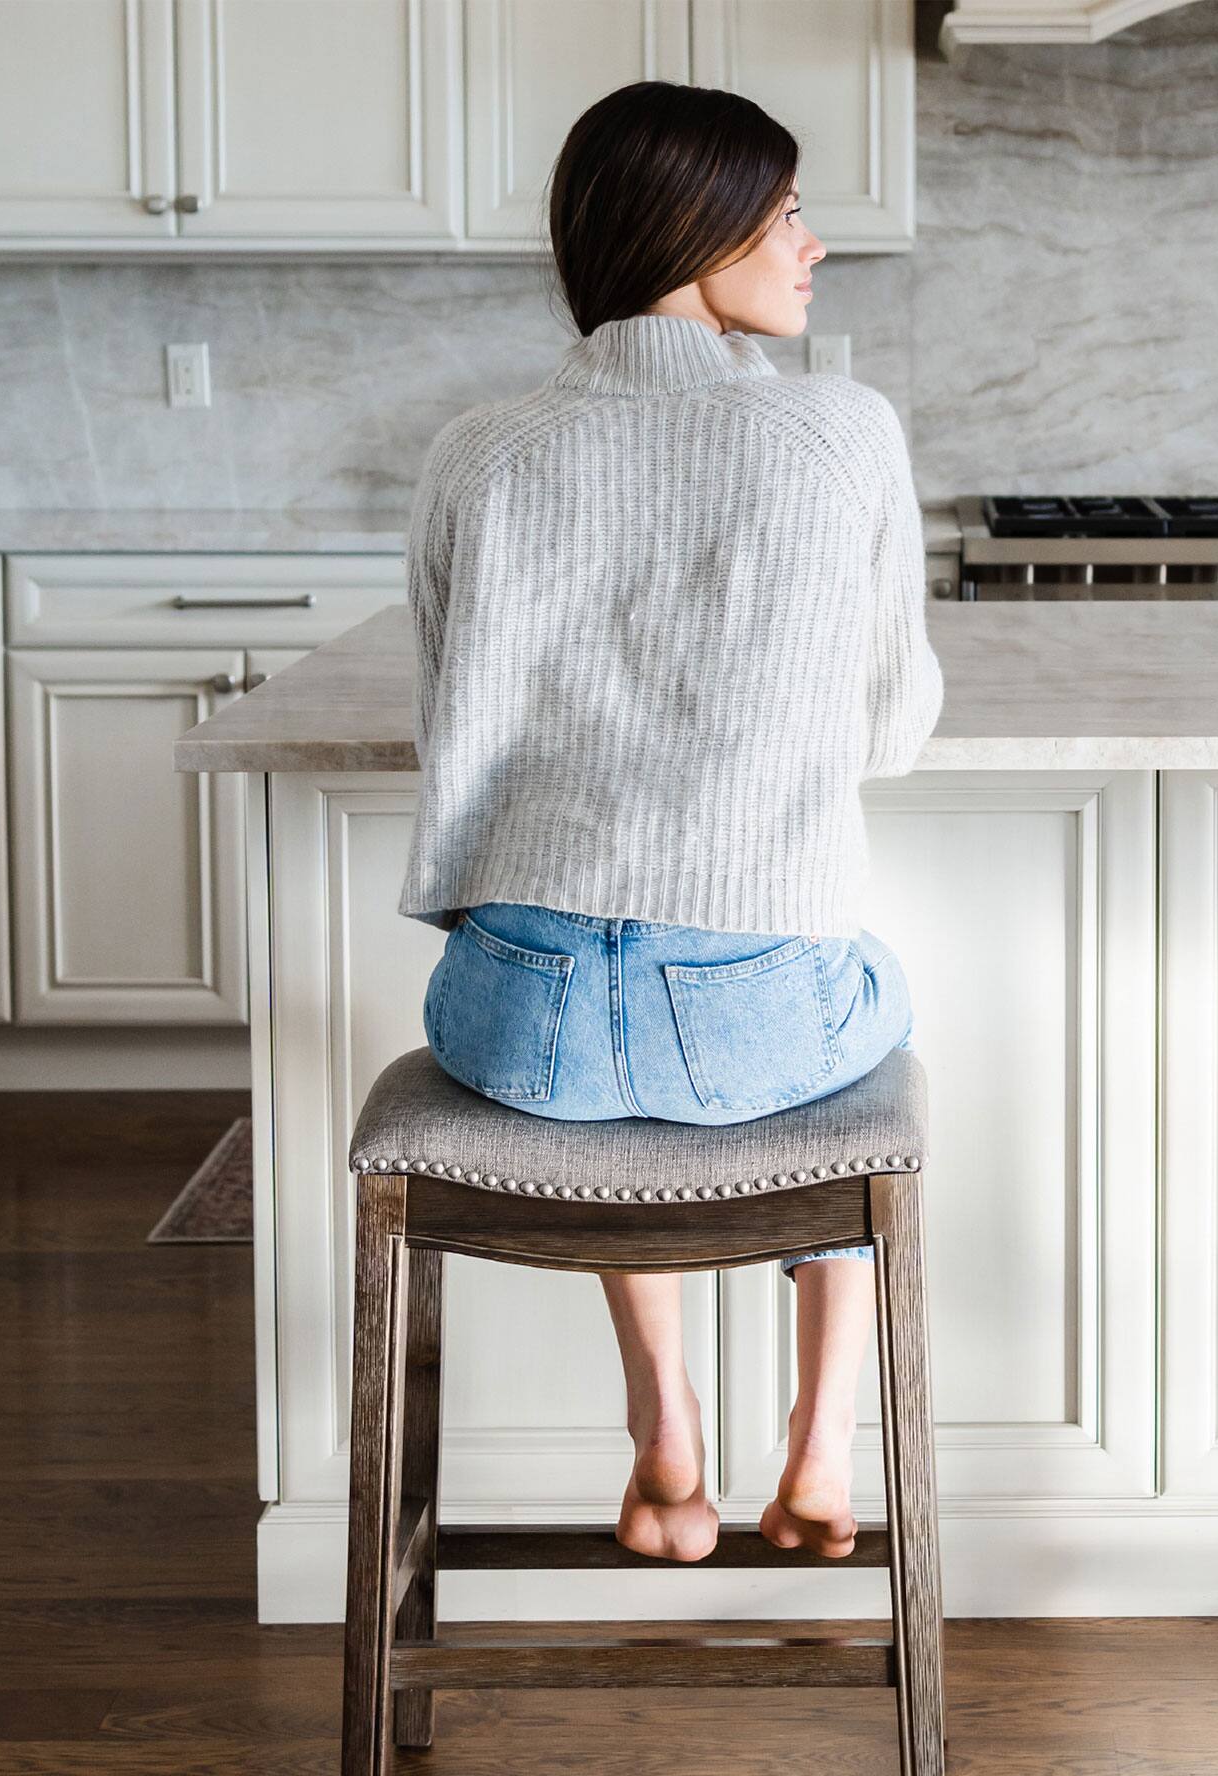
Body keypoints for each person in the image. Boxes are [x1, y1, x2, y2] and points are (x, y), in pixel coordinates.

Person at [397, 79, 943, 1567]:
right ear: (689, 233)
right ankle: (821, 1453)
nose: (814, 244)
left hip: (515, 1024)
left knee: (621, 1042)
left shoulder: (478, 452)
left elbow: (454, 716)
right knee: (862, 1011)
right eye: (782, 215)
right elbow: (890, 731)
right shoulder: (841, 436)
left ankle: (668, 1443)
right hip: (751, 1027)